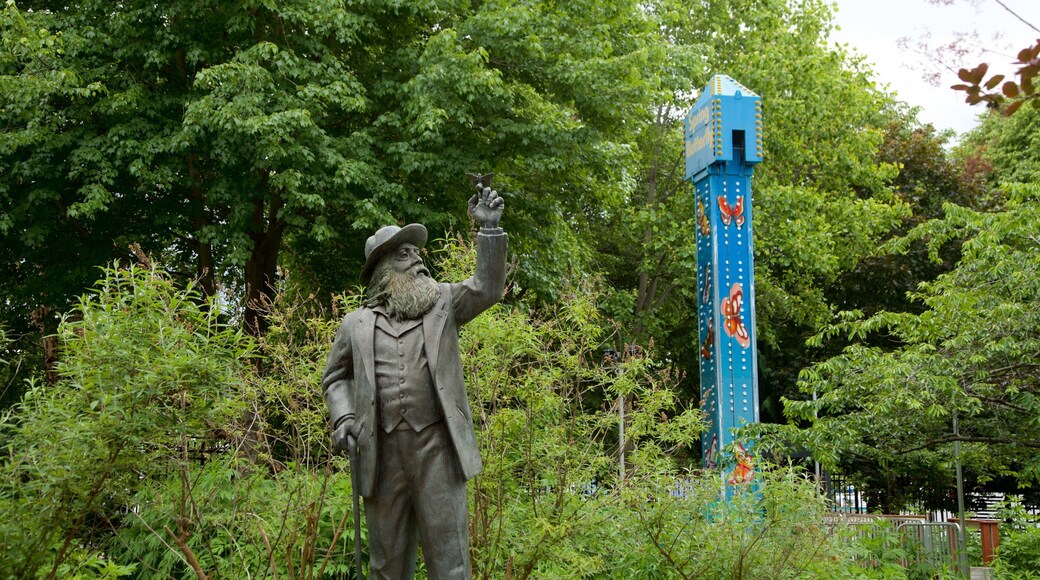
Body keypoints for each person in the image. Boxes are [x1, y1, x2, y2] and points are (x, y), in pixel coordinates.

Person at [322, 182, 506, 579]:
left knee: (451, 564)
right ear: (383, 271)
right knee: (386, 566)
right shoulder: (355, 325)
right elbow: (335, 378)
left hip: (437, 451)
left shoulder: (444, 303)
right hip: (380, 454)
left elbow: (487, 287)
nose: (419, 261)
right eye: (405, 255)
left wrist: (488, 231)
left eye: (418, 254)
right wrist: (343, 418)